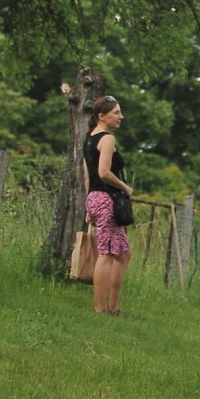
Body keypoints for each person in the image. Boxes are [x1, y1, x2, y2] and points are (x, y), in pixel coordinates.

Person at [82, 95, 132, 316]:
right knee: (106, 253)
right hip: (107, 199)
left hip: (95, 198)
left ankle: (113, 306)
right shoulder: (107, 139)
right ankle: (101, 308)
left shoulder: (89, 139)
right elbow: (103, 172)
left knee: (123, 253)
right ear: (102, 116)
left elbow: (87, 175)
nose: (121, 116)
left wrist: (89, 204)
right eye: (116, 113)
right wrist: (125, 187)